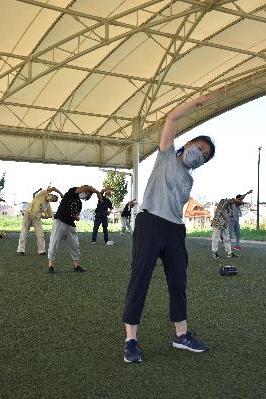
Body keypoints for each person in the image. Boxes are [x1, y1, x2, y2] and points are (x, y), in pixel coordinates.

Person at [122, 94, 216, 363]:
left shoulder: (188, 179)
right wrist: (197, 103)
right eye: (200, 148)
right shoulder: (165, 155)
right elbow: (172, 118)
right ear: (187, 144)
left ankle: (181, 336)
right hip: (150, 223)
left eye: (205, 156)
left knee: (178, 282)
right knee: (140, 280)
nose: (201, 155)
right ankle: (131, 340)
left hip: (175, 230)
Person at [47, 185, 102, 273]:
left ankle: (77, 266)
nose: (86, 194)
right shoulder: (71, 192)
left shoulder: (79, 203)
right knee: (54, 243)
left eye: (88, 195)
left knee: (75, 246)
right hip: (59, 222)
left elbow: (77, 217)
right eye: (87, 192)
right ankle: (51, 266)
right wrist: (97, 192)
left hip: (70, 225)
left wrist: (76, 216)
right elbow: (86, 186)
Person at [17, 187, 63, 255]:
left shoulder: (48, 206)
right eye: (52, 197)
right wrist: (61, 193)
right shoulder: (42, 194)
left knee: (40, 234)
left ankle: (42, 251)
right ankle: (21, 250)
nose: (52, 199)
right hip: (28, 214)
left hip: (37, 218)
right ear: (50, 194)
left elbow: (51, 215)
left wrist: (53, 216)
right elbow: (53, 188)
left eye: (53, 200)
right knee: (24, 232)